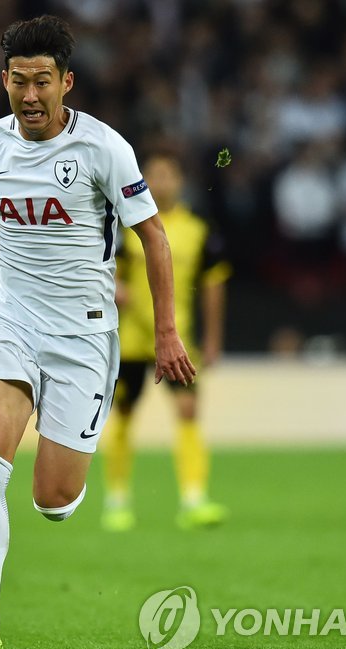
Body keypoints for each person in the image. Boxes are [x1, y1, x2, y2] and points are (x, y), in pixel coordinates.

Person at [0, 16, 196, 649]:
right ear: (3, 79)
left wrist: (167, 333)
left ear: (67, 82)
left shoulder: (104, 148)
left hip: (83, 335)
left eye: (42, 82)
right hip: (11, 318)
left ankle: (64, 462)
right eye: (19, 81)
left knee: (53, 500)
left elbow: (154, 238)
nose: (30, 96)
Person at [102, 152, 230, 532]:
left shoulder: (197, 230)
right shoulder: (126, 225)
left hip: (178, 339)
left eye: (167, 175)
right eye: (153, 175)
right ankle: (117, 501)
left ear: (180, 181)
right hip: (131, 339)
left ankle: (194, 499)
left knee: (188, 411)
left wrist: (213, 339)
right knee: (124, 414)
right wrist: (116, 288)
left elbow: (213, 285)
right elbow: (106, 272)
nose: (160, 182)